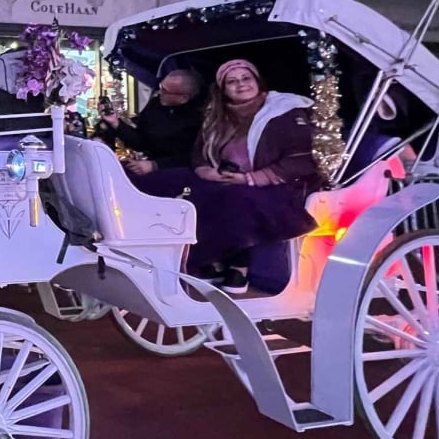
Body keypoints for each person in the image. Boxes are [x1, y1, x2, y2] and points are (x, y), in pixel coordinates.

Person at [138, 59, 319, 295]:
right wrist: (206, 170)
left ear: (257, 81)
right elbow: (199, 153)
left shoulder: (284, 112)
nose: (241, 85)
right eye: (232, 81)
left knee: (233, 197)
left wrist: (251, 178)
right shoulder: (217, 115)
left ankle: (237, 266)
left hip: (279, 186)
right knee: (164, 182)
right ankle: (151, 249)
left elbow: (301, 160)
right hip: (225, 179)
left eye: (246, 78)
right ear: (223, 89)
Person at [98, 68, 205, 176]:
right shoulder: (156, 105)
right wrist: (116, 123)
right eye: (160, 87)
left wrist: (155, 165)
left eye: (165, 91)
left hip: (182, 173)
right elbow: (141, 140)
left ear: (183, 98)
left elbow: (194, 157)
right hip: (148, 166)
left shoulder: (199, 117)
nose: (160, 93)